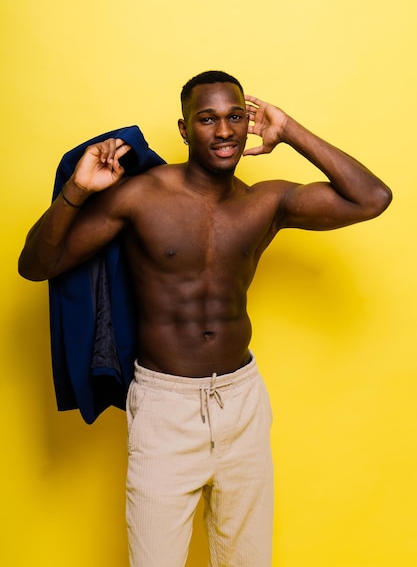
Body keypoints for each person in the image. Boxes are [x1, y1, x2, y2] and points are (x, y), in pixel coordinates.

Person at [18, 70, 392, 567]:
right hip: (164, 407)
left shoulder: (266, 202)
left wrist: (292, 130)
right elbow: (36, 265)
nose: (224, 131)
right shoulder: (140, 196)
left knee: (247, 561)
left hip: (242, 403)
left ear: (249, 124)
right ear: (184, 128)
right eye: (208, 119)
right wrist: (79, 190)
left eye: (236, 117)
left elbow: (372, 198)